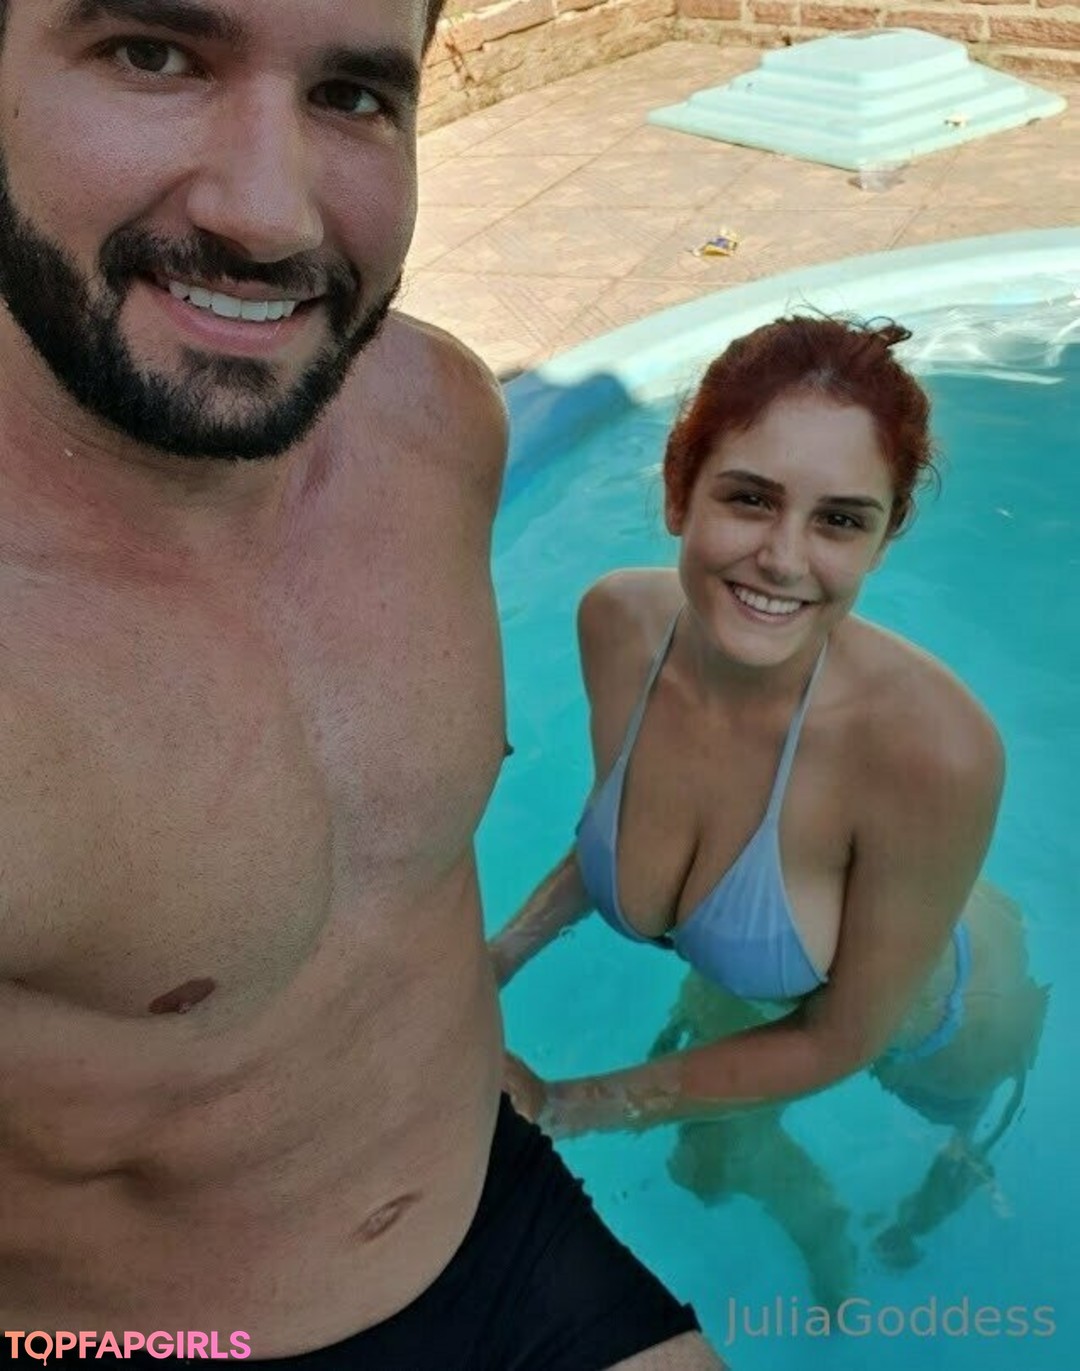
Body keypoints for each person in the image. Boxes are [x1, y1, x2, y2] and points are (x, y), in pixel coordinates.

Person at [0, 1, 723, 1367]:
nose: (269, 216)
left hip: (494, 1209)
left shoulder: (439, 420)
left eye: (351, 94)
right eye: (154, 55)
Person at [491, 314, 1048, 1301]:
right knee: (704, 1162)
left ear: (885, 536)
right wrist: (493, 960)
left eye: (840, 521)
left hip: (944, 1026)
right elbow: (619, 826)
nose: (784, 560)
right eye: (750, 499)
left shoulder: (939, 753)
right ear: (678, 489)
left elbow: (843, 1038)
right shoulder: (618, 623)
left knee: (772, 1166)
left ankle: (855, 1228)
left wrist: (563, 1104)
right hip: (787, 950)